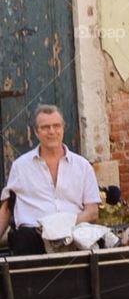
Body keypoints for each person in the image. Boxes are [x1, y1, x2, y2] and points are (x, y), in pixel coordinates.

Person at [0, 106, 100, 255]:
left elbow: (92, 212)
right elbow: (7, 208)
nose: (52, 131)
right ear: (36, 131)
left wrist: (62, 225)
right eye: (45, 127)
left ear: (63, 128)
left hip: (73, 235)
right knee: (23, 238)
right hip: (33, 238)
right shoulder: (20, 166)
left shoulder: (82, 166)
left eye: (56, 126)